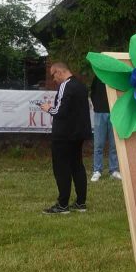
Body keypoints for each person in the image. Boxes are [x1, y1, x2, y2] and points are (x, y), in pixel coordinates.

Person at [41, 62, 91, 214]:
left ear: (59, 72)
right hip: (78, 133)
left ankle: (62, 205)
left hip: (63, 134)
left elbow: (60, 111)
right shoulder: (81, 86)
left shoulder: (65, 85)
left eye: (53, 75)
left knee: (61, 168)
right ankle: (81, 203)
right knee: (77, 166)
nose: (53, 79)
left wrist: (48, 108)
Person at [89, 75, 121, 182]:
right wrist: (97, 106)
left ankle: (114, 170)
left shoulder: (116, 76)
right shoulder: (98, 76)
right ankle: (97, 170)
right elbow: (92, 92)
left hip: (115, 112)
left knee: (114, 144)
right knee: (98, 144)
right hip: (100, 112)